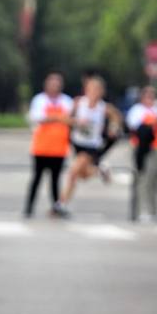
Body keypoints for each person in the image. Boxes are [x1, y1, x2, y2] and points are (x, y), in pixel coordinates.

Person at [56, 75, 114, 216]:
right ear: (86, 90)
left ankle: (62, 203)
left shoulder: (104, 107)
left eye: (97, 89)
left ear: (101, 92)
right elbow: (63, 118)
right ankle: (99, 171)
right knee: (82, 175)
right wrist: (76, 121)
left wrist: (113, 127)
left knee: (73, 172)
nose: (94, 92)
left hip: (92, 145)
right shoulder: (78, 103)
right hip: (78, 142)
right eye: (91, 89)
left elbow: (116, 117)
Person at [24, 72, 73, 218]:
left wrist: (54, 118)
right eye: (52, 83)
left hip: (59, 148)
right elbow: (37, 118)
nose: (54, 86)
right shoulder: (39, 100)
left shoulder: (66, 101)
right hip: (41, 147)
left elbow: (71, 119)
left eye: (57, 83)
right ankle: (29, 207)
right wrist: (58, 118)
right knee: (37, 179)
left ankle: (56, 208)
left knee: (55, 181)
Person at [126, 85, 157, 222]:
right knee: (143, 179)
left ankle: (155, 209)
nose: (150, 98)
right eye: (147, 95)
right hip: (143, 149)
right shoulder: (137, 110)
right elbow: (134, 127)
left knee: (156, 180)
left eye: (152, 95)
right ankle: (141, 211)